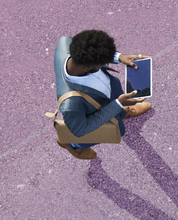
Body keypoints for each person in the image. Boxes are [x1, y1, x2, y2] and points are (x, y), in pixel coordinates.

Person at [55, 29, 151, 160]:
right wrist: (117, 104)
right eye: (102, 62)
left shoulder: (65, 43)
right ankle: (71, 144)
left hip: (108, 95)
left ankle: (122, 112)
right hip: (92, 115)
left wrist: (118, 57)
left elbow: (91, 50)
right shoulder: (71, 105)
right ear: (87, 67)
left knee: (117, 103)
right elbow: (80, 130)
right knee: (80, 133)